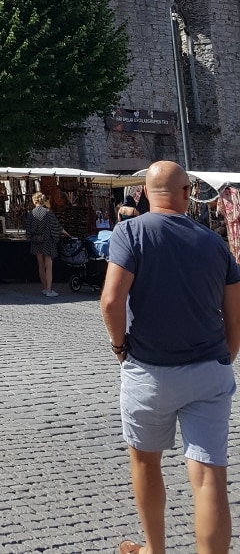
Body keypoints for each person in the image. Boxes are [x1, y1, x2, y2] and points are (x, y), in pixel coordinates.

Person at [101, 161, 240, 554]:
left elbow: (112, 301)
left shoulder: (130, 232)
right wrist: (226, 356)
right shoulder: (214, 243)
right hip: (209, 369)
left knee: (146, 463)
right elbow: (235, 313)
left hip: (150, 370)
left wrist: (119, 346)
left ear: (144, 193)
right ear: (185, 195)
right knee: (209, 475)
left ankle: (154, 550)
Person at [25, 193, 66, 297]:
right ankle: (49, 290)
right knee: (49, 267)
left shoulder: (31, 213)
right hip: (48, 241)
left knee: (40, 266)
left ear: (34, 201)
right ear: (43, 201)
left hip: (36, 241)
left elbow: (28, 230)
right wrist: (66, 233)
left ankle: (44, 288)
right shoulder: (48, 213)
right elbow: (57, 226)